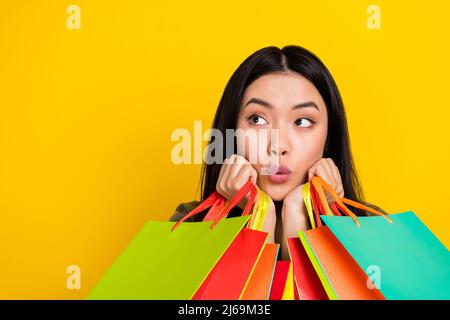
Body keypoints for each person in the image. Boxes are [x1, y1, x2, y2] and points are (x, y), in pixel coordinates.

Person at [170, 45, 385, 260]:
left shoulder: (373, 230)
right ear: (231, 131)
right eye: (257, 120)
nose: (278, 146)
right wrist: (259, 218)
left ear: (330, 135)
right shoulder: (189, 225)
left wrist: (299, 219)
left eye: (302, 121)